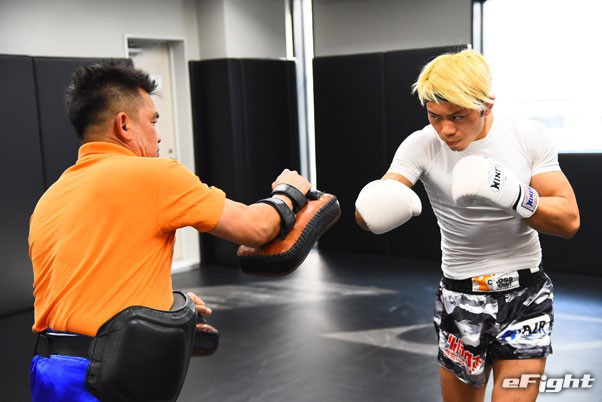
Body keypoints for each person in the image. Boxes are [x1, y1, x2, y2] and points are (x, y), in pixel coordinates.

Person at [28, 62, 311, 401]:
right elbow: (257, 228)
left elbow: (85, 279)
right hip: (106, 377)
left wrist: (161, 304)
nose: (159, 135)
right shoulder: (155, 176)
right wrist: (288, 193)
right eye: (153, 121)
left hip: (48, 371)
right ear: (124, 125)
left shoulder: (50, 197)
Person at [355, 49, 579, 402]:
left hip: (525, 297)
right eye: (435, 116)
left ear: (487, 105)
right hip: (460, 296)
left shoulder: (527, 137)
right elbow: (372, 211)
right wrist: (372, 209)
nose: (446, 129)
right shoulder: (421, 145)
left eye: (458, 116)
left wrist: (514, 195)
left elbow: (568, 220)